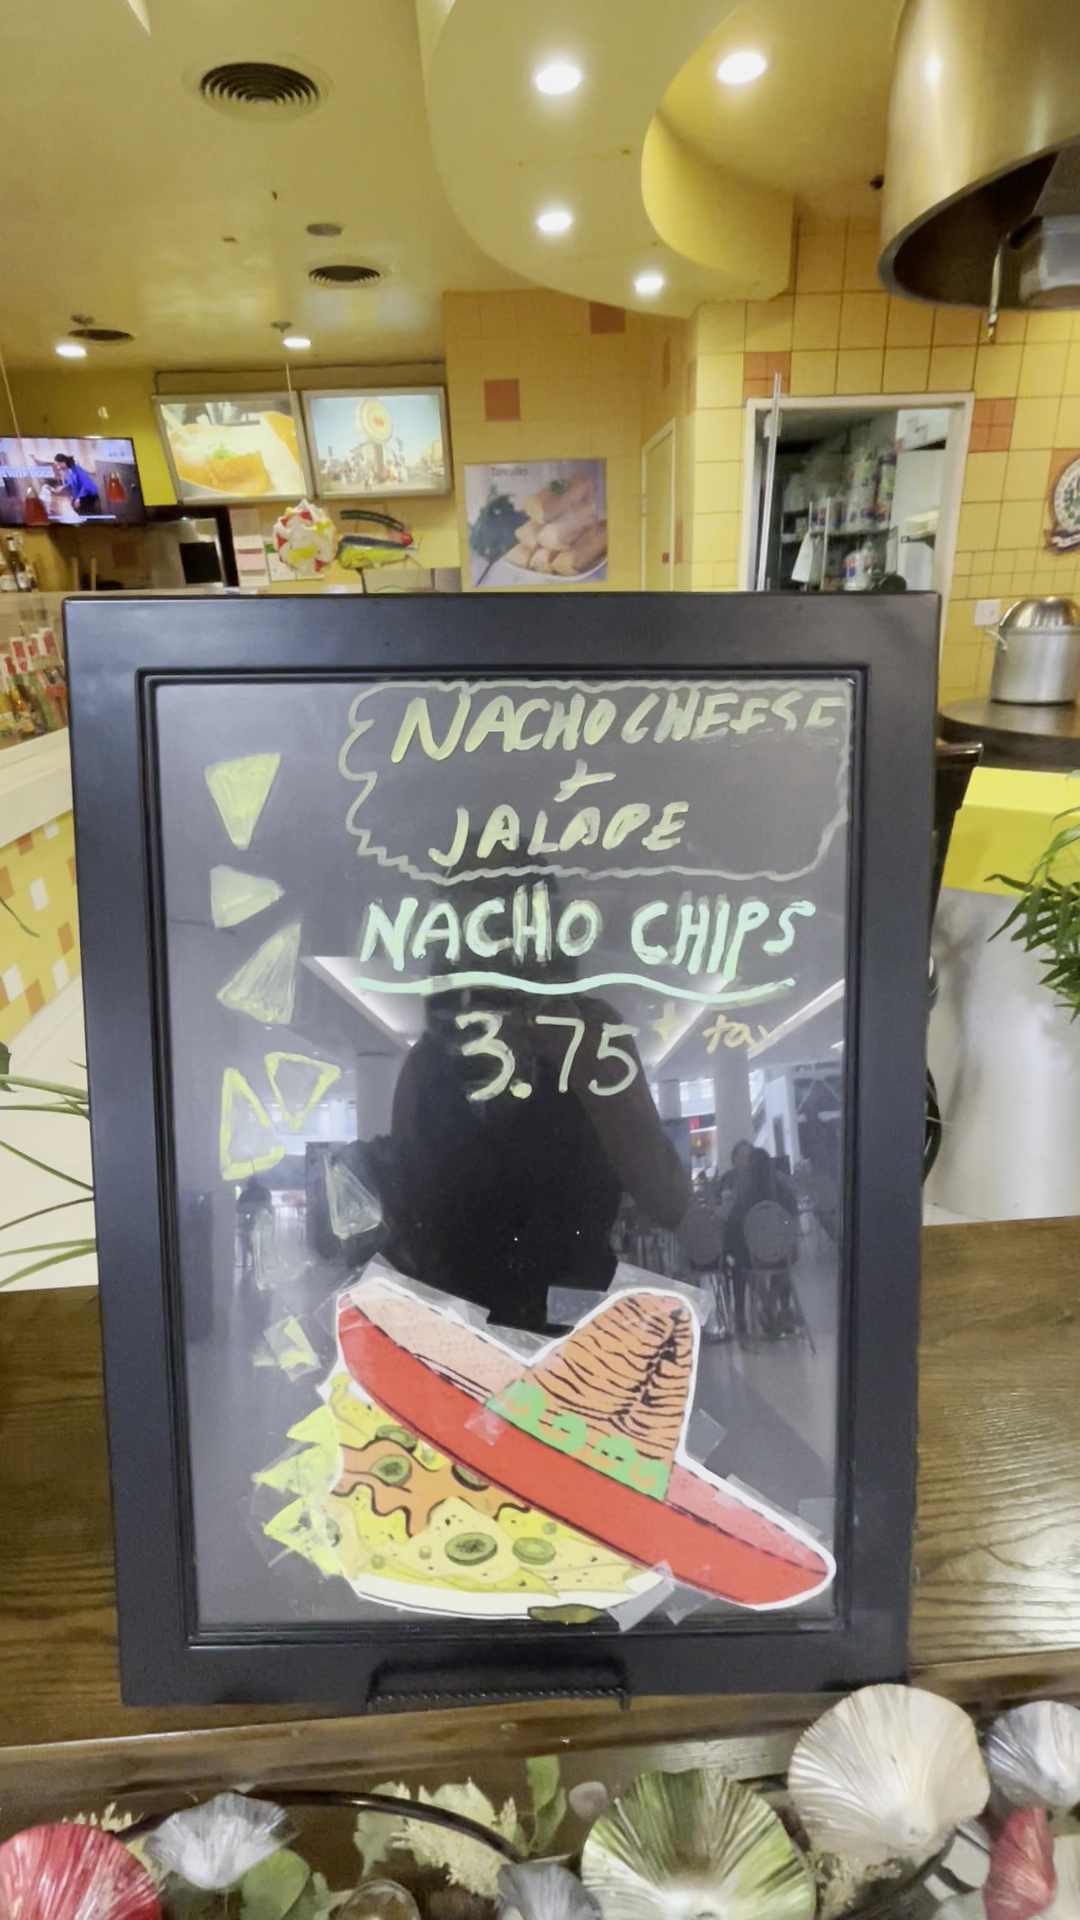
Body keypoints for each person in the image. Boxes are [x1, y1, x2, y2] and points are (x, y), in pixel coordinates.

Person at [726, 1146, 800, 1339]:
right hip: (782, 1256)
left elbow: (733, 1230)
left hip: (752, 1259)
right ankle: (780, 1307)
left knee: (739, 1264)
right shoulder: (784, 1193)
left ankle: (743, 1316)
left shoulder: (744, 1197)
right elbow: (794, 1225)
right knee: (785, 1261)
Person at [53, 451, 101, 516]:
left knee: (86, 512)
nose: (58, 467)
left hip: (89, 494)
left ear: (64, 462)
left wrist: (78, 498)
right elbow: (72, 483)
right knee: (75, 508)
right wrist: (63, 486)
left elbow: (86, 484)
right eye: (56, 465)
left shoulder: (77, 469)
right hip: (81, 494)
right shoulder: (66, 471)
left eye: (59, 464)